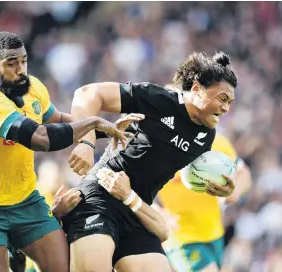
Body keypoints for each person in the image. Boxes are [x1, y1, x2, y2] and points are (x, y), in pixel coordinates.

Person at [0, 31, 126, 272]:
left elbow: (58, 121)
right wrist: (93, 123)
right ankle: (13, 249)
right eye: (11, 64)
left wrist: (109, 129)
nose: (21, 69)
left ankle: (16, 248)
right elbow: (41, 139)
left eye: (23, 61)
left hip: (25, 200)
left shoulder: (32, 88)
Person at [64, 51, 237, 272]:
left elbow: (184, 176)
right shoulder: (158, 99)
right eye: (222, 99)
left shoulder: (206, 137)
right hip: (100, 197)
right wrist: (86, 143)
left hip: (136, 210)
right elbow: (87, 94)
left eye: (230, 102)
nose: (226, 108)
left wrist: (218, 188)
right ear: (196, 88)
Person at [157, 133, 252, 272]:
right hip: (182, 237)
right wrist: (158, 213)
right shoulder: (160, 146)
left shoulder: (216, 142)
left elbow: (243, 173)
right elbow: (134, 188)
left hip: (214, 234)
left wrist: (234, 192)